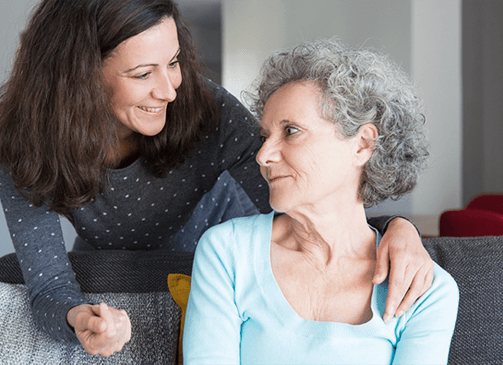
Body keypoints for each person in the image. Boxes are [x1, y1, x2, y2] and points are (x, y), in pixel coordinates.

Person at [0, 0, 433, 358]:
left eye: (173, 61)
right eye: (143, 73)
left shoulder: (207, 110)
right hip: (111, 267)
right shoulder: (25, 145)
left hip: (217, 264)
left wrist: (396, 228)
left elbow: (314, 198)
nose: (169, 89)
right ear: (77, 77)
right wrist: (80, 318)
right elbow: (49, 288)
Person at [184, 38, 459, 364]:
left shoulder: (424, 290)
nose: (263, 155)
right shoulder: (227, 252)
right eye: (264, 137)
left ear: (362, 145)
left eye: (291, 131)